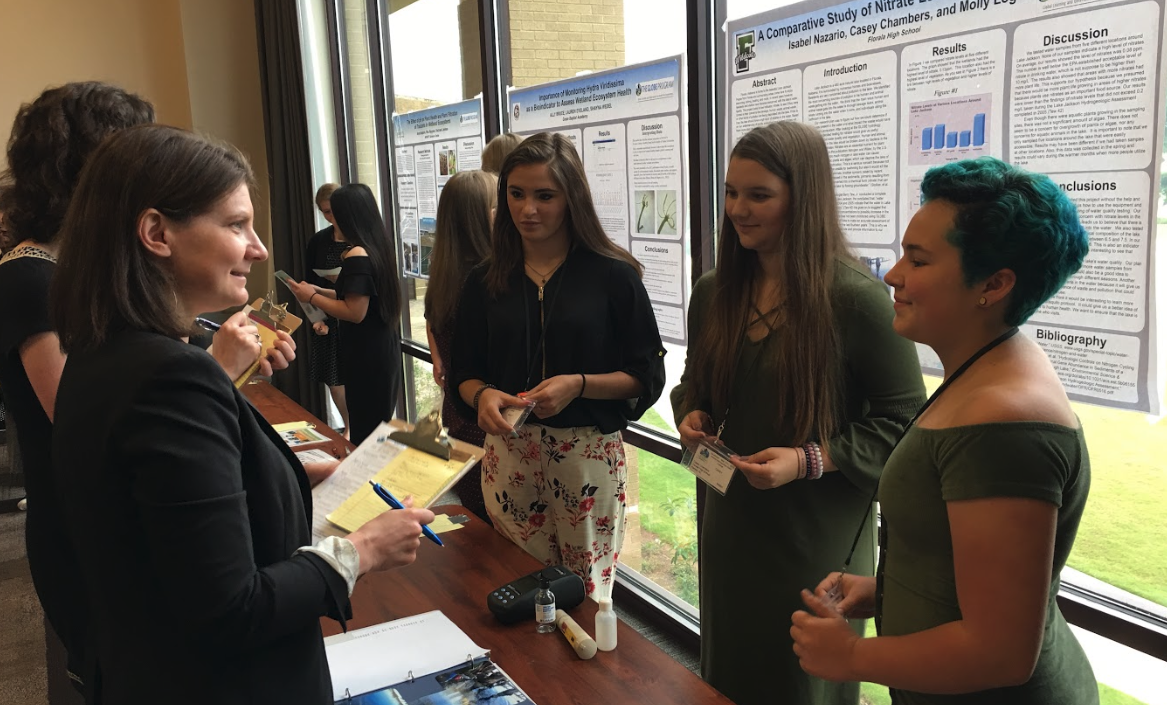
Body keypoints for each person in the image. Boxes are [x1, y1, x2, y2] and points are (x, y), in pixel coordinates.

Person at [50, 124, 435, 704]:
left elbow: (153, 519)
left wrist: (275, 480)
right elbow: (230, 609)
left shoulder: (101, 350)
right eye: (236, 225)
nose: (257, 248)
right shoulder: (169, 377)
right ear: (156, 233)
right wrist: (362, 552)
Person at [0, 81, 296, 689]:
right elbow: (102, 419)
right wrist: (217, 363)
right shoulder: (34, 278)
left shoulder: (83, 287)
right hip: (98, 531)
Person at [791, 157, 1097, 704]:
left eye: (919, 259)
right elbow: (975, 574)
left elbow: (999, 650)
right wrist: (885, 593)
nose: (892, 275)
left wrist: (852, 656)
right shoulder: (990, 366)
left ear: (995, 284)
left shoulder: (1006, 424)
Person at [670, 121, 926, 705]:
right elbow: (694, 384)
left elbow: (907, 423)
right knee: (730, 665)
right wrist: (693, 414)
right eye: (732, 192)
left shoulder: (856, 299)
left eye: (759, 195)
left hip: (816, 532)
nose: (738, 208)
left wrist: (809, 459)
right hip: (732, 519)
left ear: (803, 198)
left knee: (801, 678)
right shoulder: (715, 291)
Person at [451, 133, 666, 599]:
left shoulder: (614, 277)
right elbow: (463, 371)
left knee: (585, 593)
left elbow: (644, 375)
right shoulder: (486, 280)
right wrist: (482, 394)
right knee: (514, 584)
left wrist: (579, 385)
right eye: (516, 193)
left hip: (586, 458)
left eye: (545, 196)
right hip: (509, 454)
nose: (528, 209)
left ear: (573, 198)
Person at [287, 183, 402, 444]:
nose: (330, 220)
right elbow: (357, 298)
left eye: (333, 213)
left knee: (367, 433)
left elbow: (354, 312)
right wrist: (318, 290)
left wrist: (312, 297)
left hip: (367, 355)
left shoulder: (356, 254)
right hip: (380, 349)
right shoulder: (376, 246)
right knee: (375, 429)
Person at [425, 170, 495, 521]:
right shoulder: (484, 280)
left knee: (475, 512)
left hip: (457, 411)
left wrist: (440, 360)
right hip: (487, 417)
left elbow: (433, 327)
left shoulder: (443, 273)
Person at [305, 182, 351, 437]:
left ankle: (357, 429)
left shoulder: (359, 240)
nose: (331, 217)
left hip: (355, 319)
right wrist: (315, 320)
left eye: (334, 210)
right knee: (334, 383)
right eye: (325, 212)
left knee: (358, 382)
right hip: (326, 319)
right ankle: (348, 426)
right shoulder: (318, 242)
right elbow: (306, 285)